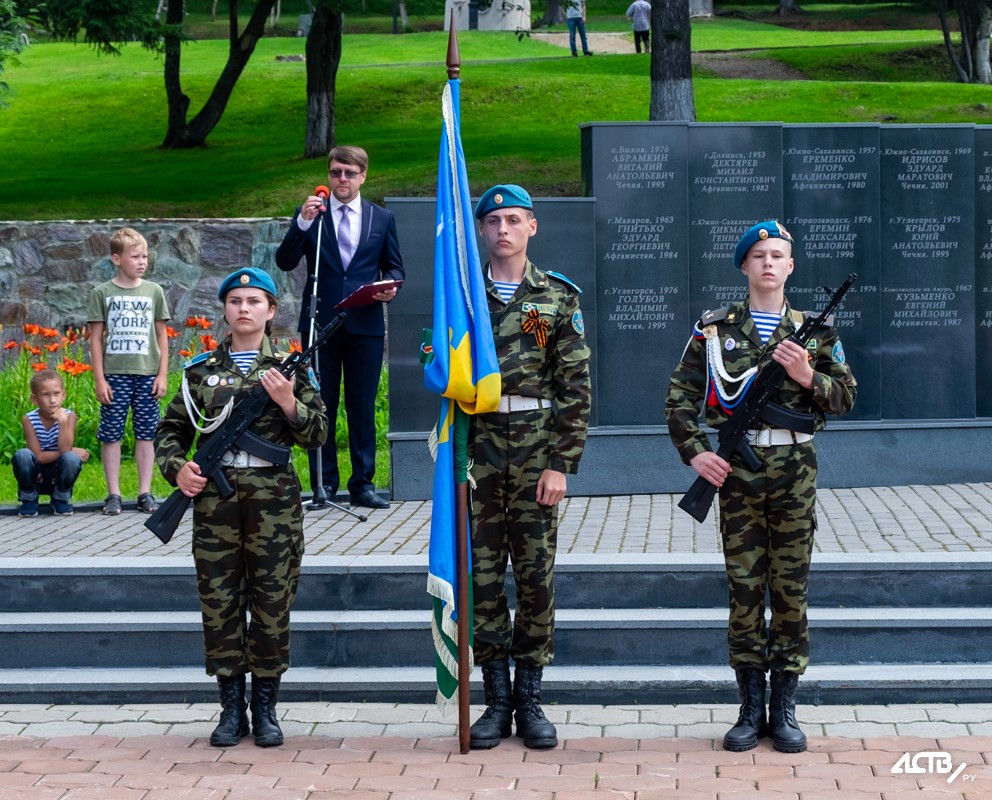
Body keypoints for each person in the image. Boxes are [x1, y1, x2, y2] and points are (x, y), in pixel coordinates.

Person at [665, 221, 857, 755]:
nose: (768, 263)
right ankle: (750, 709)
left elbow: (844, 398)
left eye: (778, 255)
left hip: (795, 470)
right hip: (738, 475)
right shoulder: (715, 327)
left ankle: (785, 708)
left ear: (790, 266)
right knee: (745, 591)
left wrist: (805, 377)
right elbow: (680, 396)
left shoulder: (816, 332)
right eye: (758, 255)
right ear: (745, 267)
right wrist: (697, 452)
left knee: (790, 591)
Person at [154, 267, 328, 749]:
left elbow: (318, 435)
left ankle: (266, 708)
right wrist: (177, 469)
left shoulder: (291, 369)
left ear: (271, 311)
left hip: (274, 500)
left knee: (272, 603)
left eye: (254, 301)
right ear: (226, 312)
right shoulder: (200, 371)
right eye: (235, 301)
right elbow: (169, 432)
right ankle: (231, 709)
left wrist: (289, 403)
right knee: (220, 602)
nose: (244, 308)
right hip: (216, 502)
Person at [467, 185, 592, 751]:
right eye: (492, 221)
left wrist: (560, 465)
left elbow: (575, 389)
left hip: (537, 449)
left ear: (532, 228)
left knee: (536, 578)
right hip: (480, 453)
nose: (502, 230)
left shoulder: (556, 298)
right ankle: (495, 699)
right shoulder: (463, 295)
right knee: (485, 579)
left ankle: (530, 697)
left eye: (513, 220)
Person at [275, 145, 405, 510]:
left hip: (364, 322)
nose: (342, 180)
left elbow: (395, 267)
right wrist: (300, 222)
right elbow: (284, 261)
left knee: (361, 405)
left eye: (349, 173)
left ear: (363, 175)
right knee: (321, 403)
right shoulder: (312, 215)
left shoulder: (382, 218)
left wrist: (392, 286)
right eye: (335, 173)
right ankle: (324, 484)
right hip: (320, 324)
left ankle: (362, 483)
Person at [87, 227, 170, 516]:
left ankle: (145, 492)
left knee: (146, 434)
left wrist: (161, 374)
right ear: (116, 259)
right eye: (135, 256)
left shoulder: (154, 291)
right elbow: (95, 339)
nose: (142, 261)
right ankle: (113, 494)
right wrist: (100, 379)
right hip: (115, 375)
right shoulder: (102, 293)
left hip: (147, 374)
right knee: (111, 434)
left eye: (145, 256)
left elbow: (162, 336)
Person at [12, 369, 90, 517]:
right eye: (46, 395)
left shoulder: (69, 416)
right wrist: (71, 450)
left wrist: (62, 422)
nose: (52, 400)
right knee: (22, 455)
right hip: (36, 473)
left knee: (71, 459)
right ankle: (29, 498)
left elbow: (65, 449)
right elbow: (38, 456)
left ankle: (60, 498)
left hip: (58, 472)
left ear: (63, 395)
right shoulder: (29, 419)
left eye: (56, 394)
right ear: (34, 399)